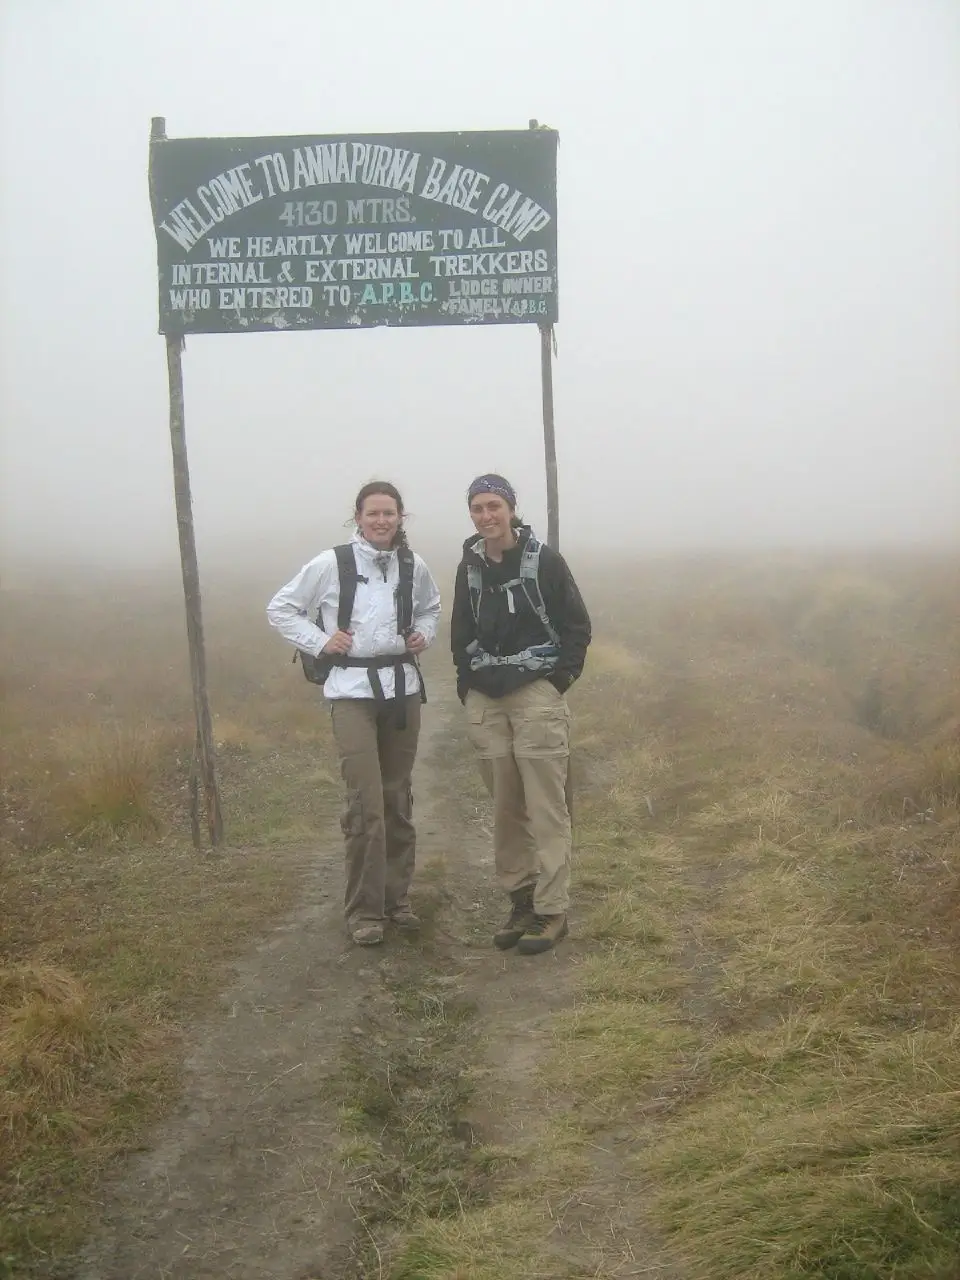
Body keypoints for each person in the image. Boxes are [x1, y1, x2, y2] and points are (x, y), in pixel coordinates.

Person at [267, 482, 441, 947]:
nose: (381, 521)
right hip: (350, 691)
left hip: (402, 689)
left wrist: (423, 634)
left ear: (401, 516)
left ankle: (396, 901)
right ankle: (364, 911)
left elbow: (431, 608)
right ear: (358, 517)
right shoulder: (332, 564)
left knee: (396, 797)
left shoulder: (412, 564)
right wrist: (321, 641)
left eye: (389, 513)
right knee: (366, 803)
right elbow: (281, 608)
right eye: (373, 513)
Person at [451, 474, 591, 955]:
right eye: (477, 508)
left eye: (494, 506)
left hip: (536, 693)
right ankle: (521, 901)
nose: (486, 516)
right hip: (486, 697)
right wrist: (466, 686)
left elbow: (577, 625)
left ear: (511, 508)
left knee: (547, 806)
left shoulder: (545, 562)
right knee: (506, 807)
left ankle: (552, 911)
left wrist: (557, 682)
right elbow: (460, 629)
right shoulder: (468, 567)